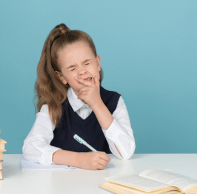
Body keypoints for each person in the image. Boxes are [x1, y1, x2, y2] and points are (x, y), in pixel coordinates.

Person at [22, 23, 136, 170]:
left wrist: (97, 104)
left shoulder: (114, 101)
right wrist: (78, 159)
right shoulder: (53, 106)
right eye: (73, 68)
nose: (82, 72)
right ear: (62, 77)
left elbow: (126, 152)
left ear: (98, 62)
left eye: (87, 63)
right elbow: (31, 147)